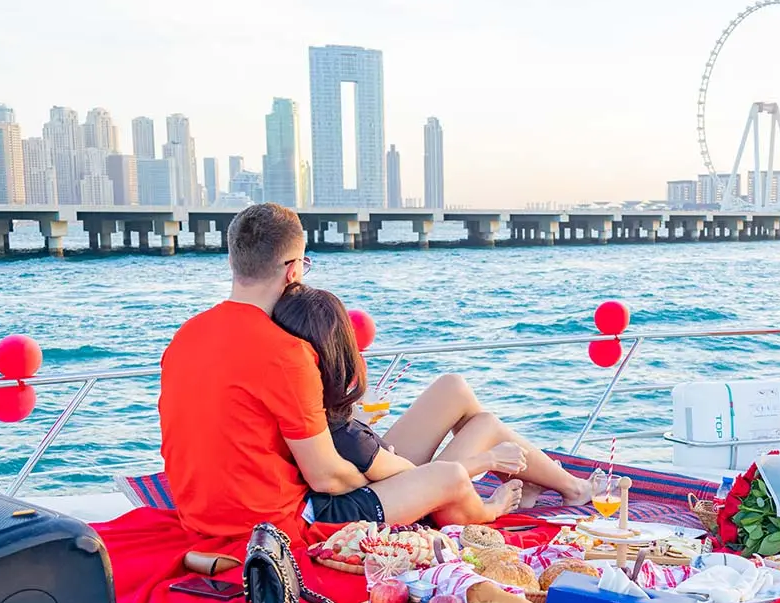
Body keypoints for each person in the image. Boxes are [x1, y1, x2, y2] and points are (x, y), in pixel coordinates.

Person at [157, 203, 521, 542]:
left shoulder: (185, 336)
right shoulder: (284, 352)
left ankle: (544, 481)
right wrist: (387, 479)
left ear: (234, 262)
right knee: (447, 474)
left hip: (200, 517)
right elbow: (326, 477)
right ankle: (494, 506)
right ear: (293, 271)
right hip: (280, 525)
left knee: (447, 413)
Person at [271, 283, 595, 521]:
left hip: (376, 470)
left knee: (452, 388)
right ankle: (572, 488)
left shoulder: (290, 391)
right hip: (399, 495)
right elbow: (425, 478)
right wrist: (489, 460)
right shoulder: (348, 438)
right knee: (486, 426)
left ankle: (531, 480)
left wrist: (360, 422)